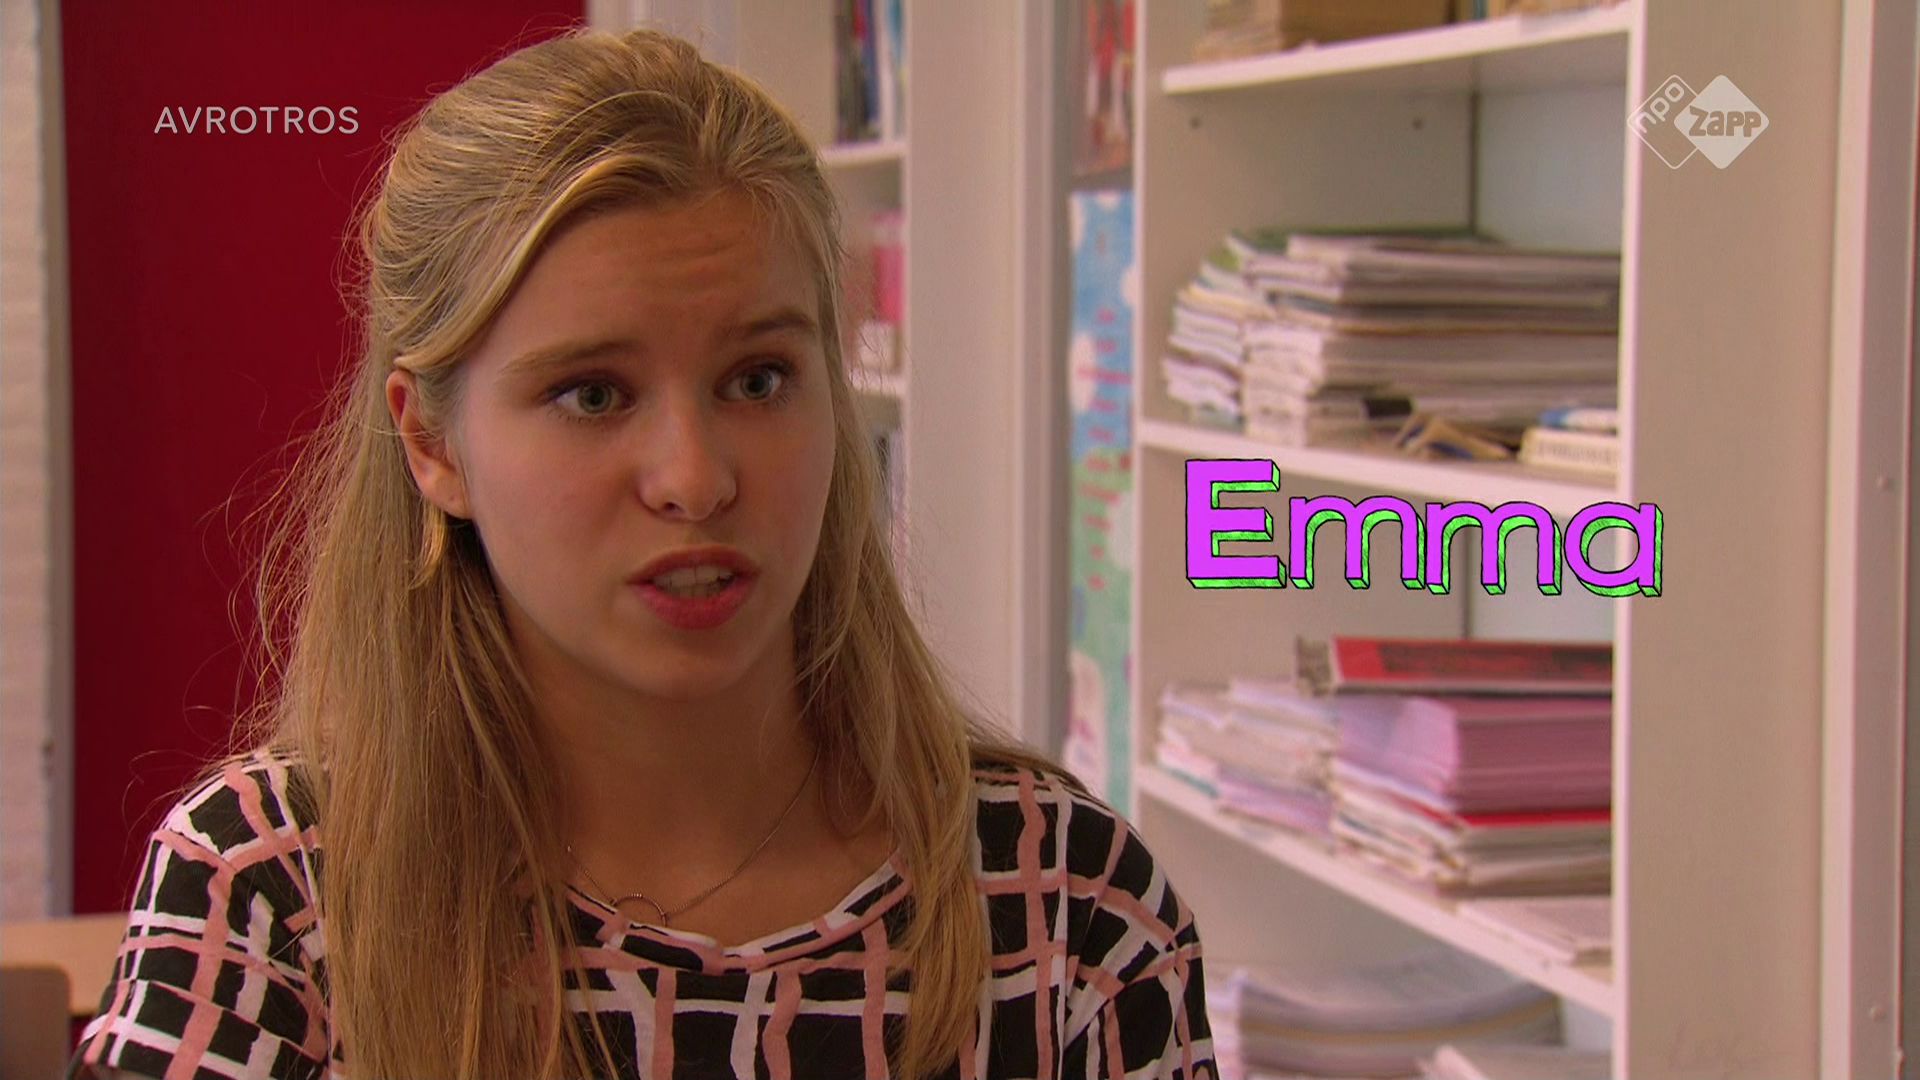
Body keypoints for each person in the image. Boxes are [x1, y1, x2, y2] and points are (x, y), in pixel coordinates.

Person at [68, 25, 1214, 1080]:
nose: (696, 478)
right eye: (593, 394)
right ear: (432, 444)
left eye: (757, 380)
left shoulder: (1066, 903)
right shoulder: (273, 896)